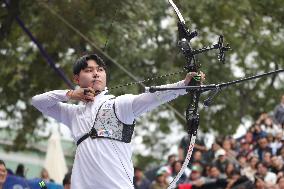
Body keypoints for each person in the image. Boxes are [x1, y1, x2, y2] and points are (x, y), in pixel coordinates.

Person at [31, 53, 205, 189]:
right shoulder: (73, 114)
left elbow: (152, 97)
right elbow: (38, 102)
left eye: (100, 70)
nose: (96, 74)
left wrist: (184, 85)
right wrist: (70, 94)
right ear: (77, 78)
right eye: (89, 70)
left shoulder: (118, 104)